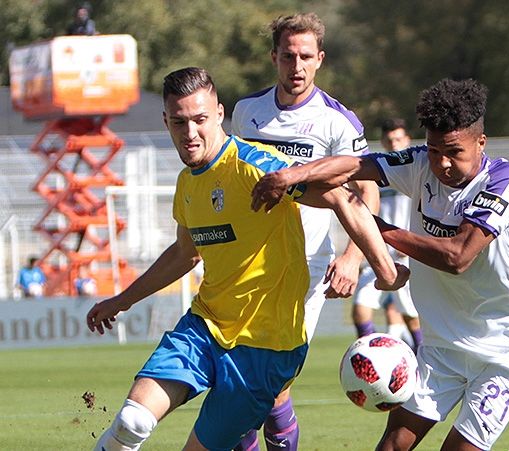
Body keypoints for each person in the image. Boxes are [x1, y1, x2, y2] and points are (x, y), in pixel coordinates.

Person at [87, 67, 407, 451]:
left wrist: (380, 266)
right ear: (166, 121)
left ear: (219, 114)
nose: (190, 133)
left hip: (266, 349)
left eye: (200, 120)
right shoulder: (188, 181)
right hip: (205, 327)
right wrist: (122, 300)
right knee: (132, 420)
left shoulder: (257, 166)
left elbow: (343, 196)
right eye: (179, 122)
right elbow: (184, 254)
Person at [251, 78, 509, 451]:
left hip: (506, 350)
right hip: (442, 348)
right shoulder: (420, 162)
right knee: (391, 446)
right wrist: (292, 175)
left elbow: (457, 256)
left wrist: (375, 228)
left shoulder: (504, 182)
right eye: (435, 149)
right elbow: (353, 165)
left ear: (480, 143)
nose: (441, 162)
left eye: (453, 151)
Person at [231, 13, 380, 450]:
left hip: (305, 265)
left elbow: (367, 191)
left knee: (271, 378)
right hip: (248, 261)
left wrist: (352, 257)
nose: (296, 66)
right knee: (239, 376)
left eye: (306, 57)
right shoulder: (246, 113)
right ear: (274, 57)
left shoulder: (338, 122)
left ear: (320, 60)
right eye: (288, 56)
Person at [353, 118, 423, 351]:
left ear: (407, 140)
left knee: (411, 317)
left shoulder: (417, 170)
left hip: (408, 254)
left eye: (398, 139)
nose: (394, 143)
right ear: (383, 142)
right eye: (389, 139)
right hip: (380, 252)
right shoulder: (377, 171)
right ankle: (370, 360)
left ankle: (421, 362)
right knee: (360, 308)